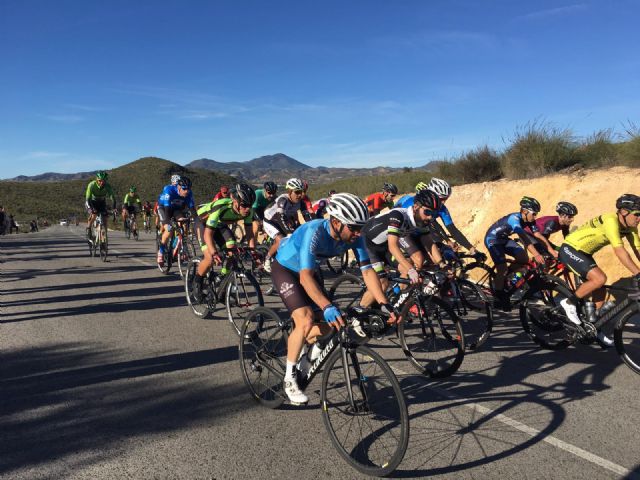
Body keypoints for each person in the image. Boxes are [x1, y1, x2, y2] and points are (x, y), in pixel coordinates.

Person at [271, 193, 398, 404]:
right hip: (286, 269)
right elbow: (304, 278)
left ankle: (305, 354)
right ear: (336, 222)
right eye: (354, 228)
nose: (358, 233)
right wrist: (327, 305)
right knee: (306, 319)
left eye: (361, 228)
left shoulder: (355, 237)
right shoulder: (315, 232)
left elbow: (367, 272)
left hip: (309, 271)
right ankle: (289, 378)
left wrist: (384, 304)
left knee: (333, 324)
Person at [558, 194, 640, 345]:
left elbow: (637, 249)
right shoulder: (611, 221)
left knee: (601, 289)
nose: (639, 218)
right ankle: (569, 303)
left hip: (585, 253)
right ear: (623, 212)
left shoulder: (631, 228)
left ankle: (593, 327)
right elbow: (620, 251)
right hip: (570, 249)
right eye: (637, 214)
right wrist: (637, 274)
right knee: (600, 278)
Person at [359, 189, 445, 308]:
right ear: (415, 207)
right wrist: (411, 270)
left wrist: (442, 264)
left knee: (407, 268)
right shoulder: (399, 215)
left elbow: (429, 243)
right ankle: (357, 315)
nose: (430, 217)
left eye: (434, 214)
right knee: (382, 283)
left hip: (384, 245)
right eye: (427, 212)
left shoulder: (422, 221)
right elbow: (393, 245)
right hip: (368, 244)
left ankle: (394, 302)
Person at [484, 196, 554, 310]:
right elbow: (524, 238)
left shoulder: (529, 220)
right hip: (493, 239)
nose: (535, 216)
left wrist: (550, 250)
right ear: (525, 212)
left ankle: (505, 278)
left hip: (504, 239)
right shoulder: (514, 219)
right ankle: (498, 296)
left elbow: (538, 235)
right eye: (534, 214)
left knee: (524, 258)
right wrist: (536, 254)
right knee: (502, 268)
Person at [193, 184, 257, 300]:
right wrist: (213, 252)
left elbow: (250, 234)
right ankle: (197, 281)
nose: (247, 209)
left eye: (250, 205)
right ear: (235, 201)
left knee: (233, 251)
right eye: (244, 205)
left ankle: (222, 281)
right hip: (202, 224)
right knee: (210, 258)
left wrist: (253, 251)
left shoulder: (248, 211)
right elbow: (208, 234)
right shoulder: (221, 207)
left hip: (220, 225)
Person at [396, 178, 483, 261]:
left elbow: (453, 230)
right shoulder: (414, 204)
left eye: (445, 199)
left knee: (440, 255)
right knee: (418, 259)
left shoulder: (442, 208)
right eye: (441, 199)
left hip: (421, 231)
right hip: (401, 231)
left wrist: (472, 249)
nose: (443, 202)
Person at [262, 178, 306, 272]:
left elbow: (307, 218)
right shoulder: (283, 200)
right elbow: (279, 217)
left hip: (282, 220)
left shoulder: (300, 202)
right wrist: (289, 232)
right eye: (297, 192)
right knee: (281, 239)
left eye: (301, 192)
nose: (300, 195)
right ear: (290, 192)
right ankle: (267, 259)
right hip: (270, 221)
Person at [156, 177, 197, 266]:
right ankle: (161, 252)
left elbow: (193, 210)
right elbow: (167, 210)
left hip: (175, 208)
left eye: (188, 189)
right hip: (163, 207)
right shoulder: (169, 190)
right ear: (178, 187)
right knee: (169, 230)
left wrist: (197, 222)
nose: (186, 191)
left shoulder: (189, 194)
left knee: (183, 224)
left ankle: (180, 247)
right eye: (184, 189)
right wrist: (167, 223)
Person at [85, 171, 116, 239]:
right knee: (94, 214)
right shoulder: (91, 185)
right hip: (91, 202)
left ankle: (104, 239)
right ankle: (89, 228)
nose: (102, 182)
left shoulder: (107, 186)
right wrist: (91, 209)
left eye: (104, 181)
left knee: (105, 218)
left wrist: (114, 208)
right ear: (96, 180)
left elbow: (112, 198)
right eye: (100, 180)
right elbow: (88, 199)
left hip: (101, 202)